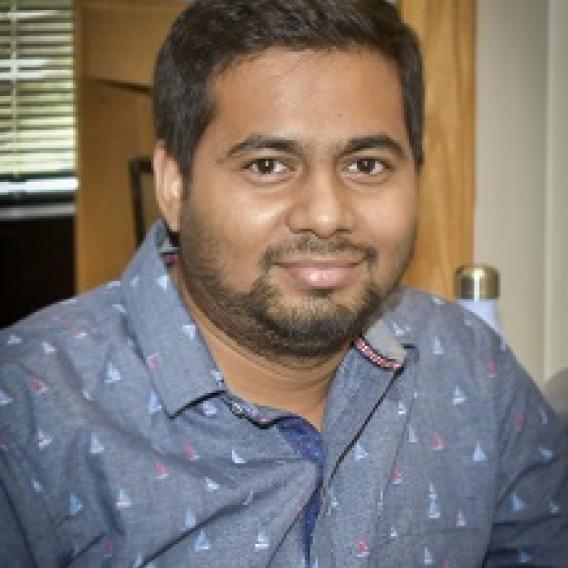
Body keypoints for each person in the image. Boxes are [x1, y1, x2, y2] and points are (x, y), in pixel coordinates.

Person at [1, 0, 566, 566]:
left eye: (366, 164)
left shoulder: (472, 369)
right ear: (173, 185)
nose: (326, 215)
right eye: (268, 165)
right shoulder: (26, 410)